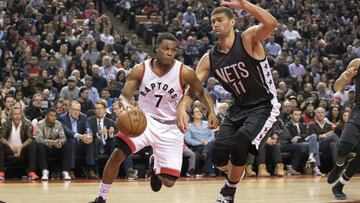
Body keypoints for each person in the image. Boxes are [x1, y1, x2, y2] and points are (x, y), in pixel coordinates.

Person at [90, 33, 216, 203]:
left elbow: (201, 92)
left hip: (171, 127)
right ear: (156, 48)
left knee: (169, 182)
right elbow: (124, 96)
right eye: (165, 48)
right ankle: (101, 197)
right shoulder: (141, 69)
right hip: (144, 121)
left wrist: (212, 112)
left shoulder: (184, 72)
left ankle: (155, 164)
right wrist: (126, 105)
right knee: (118, 154)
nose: (169, 53)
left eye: (173, 50)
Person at [176, 3, 280, 202]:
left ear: (233, 22)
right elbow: (194, 87)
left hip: (264, 106)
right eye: (213, 21)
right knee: (217, 155)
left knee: (241, 142)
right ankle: (235, 174)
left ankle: (229, 191)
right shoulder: (209, 58)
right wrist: (183, 107)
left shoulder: (248, 39)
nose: (216, 24)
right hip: (237, 108)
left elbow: (271, 23)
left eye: (220, 20)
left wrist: (244, 4)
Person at [327, 58, 360, 200]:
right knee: (344, 145)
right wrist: (345, 78)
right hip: (359, 111)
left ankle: (338, 186)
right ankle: (339, 165)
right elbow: (336, 86)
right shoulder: (357, 63)